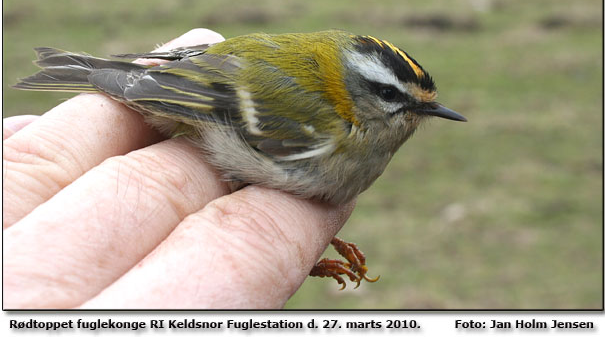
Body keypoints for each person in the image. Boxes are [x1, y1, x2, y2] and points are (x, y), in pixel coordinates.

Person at [3, 29, 355, 309]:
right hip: (201, 94)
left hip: (206, 69)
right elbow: (221, 101)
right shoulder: (329, 126)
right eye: (388, 98)